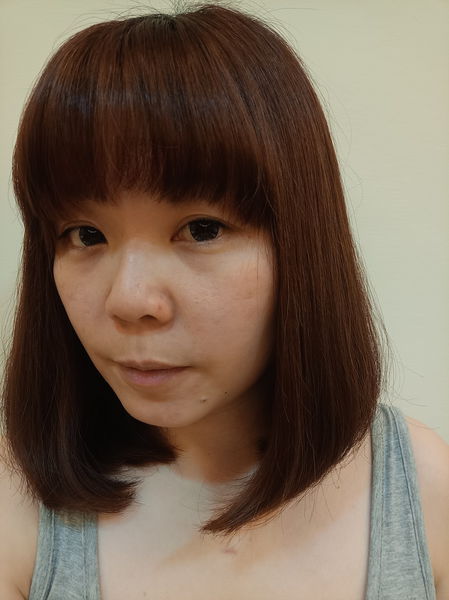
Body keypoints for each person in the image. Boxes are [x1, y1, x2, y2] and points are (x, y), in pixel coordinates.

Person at [0, 2, 448, 599]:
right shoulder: (16, 501)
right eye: (86, 235)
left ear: (300, 243)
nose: (130, 299)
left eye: (202, 229)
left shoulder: (422, 493)